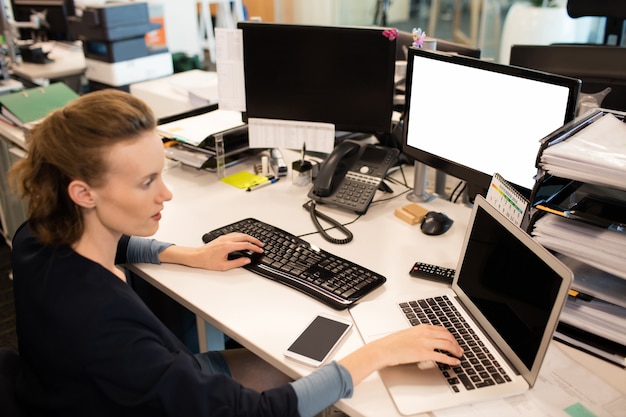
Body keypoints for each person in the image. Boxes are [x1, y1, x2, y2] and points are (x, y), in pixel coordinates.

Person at [9, 89, 463, 417]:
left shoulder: (38, 234)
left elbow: (122, 241)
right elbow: (259, 413)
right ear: (84, 192)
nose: (165, 194)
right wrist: (378, 353)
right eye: (146, 183)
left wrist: (189, 254)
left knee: (295, 366)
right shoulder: (105, 324)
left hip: (89, 389)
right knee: (343, 387)